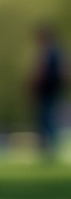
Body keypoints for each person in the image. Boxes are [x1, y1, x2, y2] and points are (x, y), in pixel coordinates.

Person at [32, 25, 64, 161]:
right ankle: (47, 149)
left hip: (49, 90)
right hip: (48, 91)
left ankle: (50, 150)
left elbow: (43, 72)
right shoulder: (54, 52)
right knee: (46, 120)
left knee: (47, 120)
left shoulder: (51, 53)